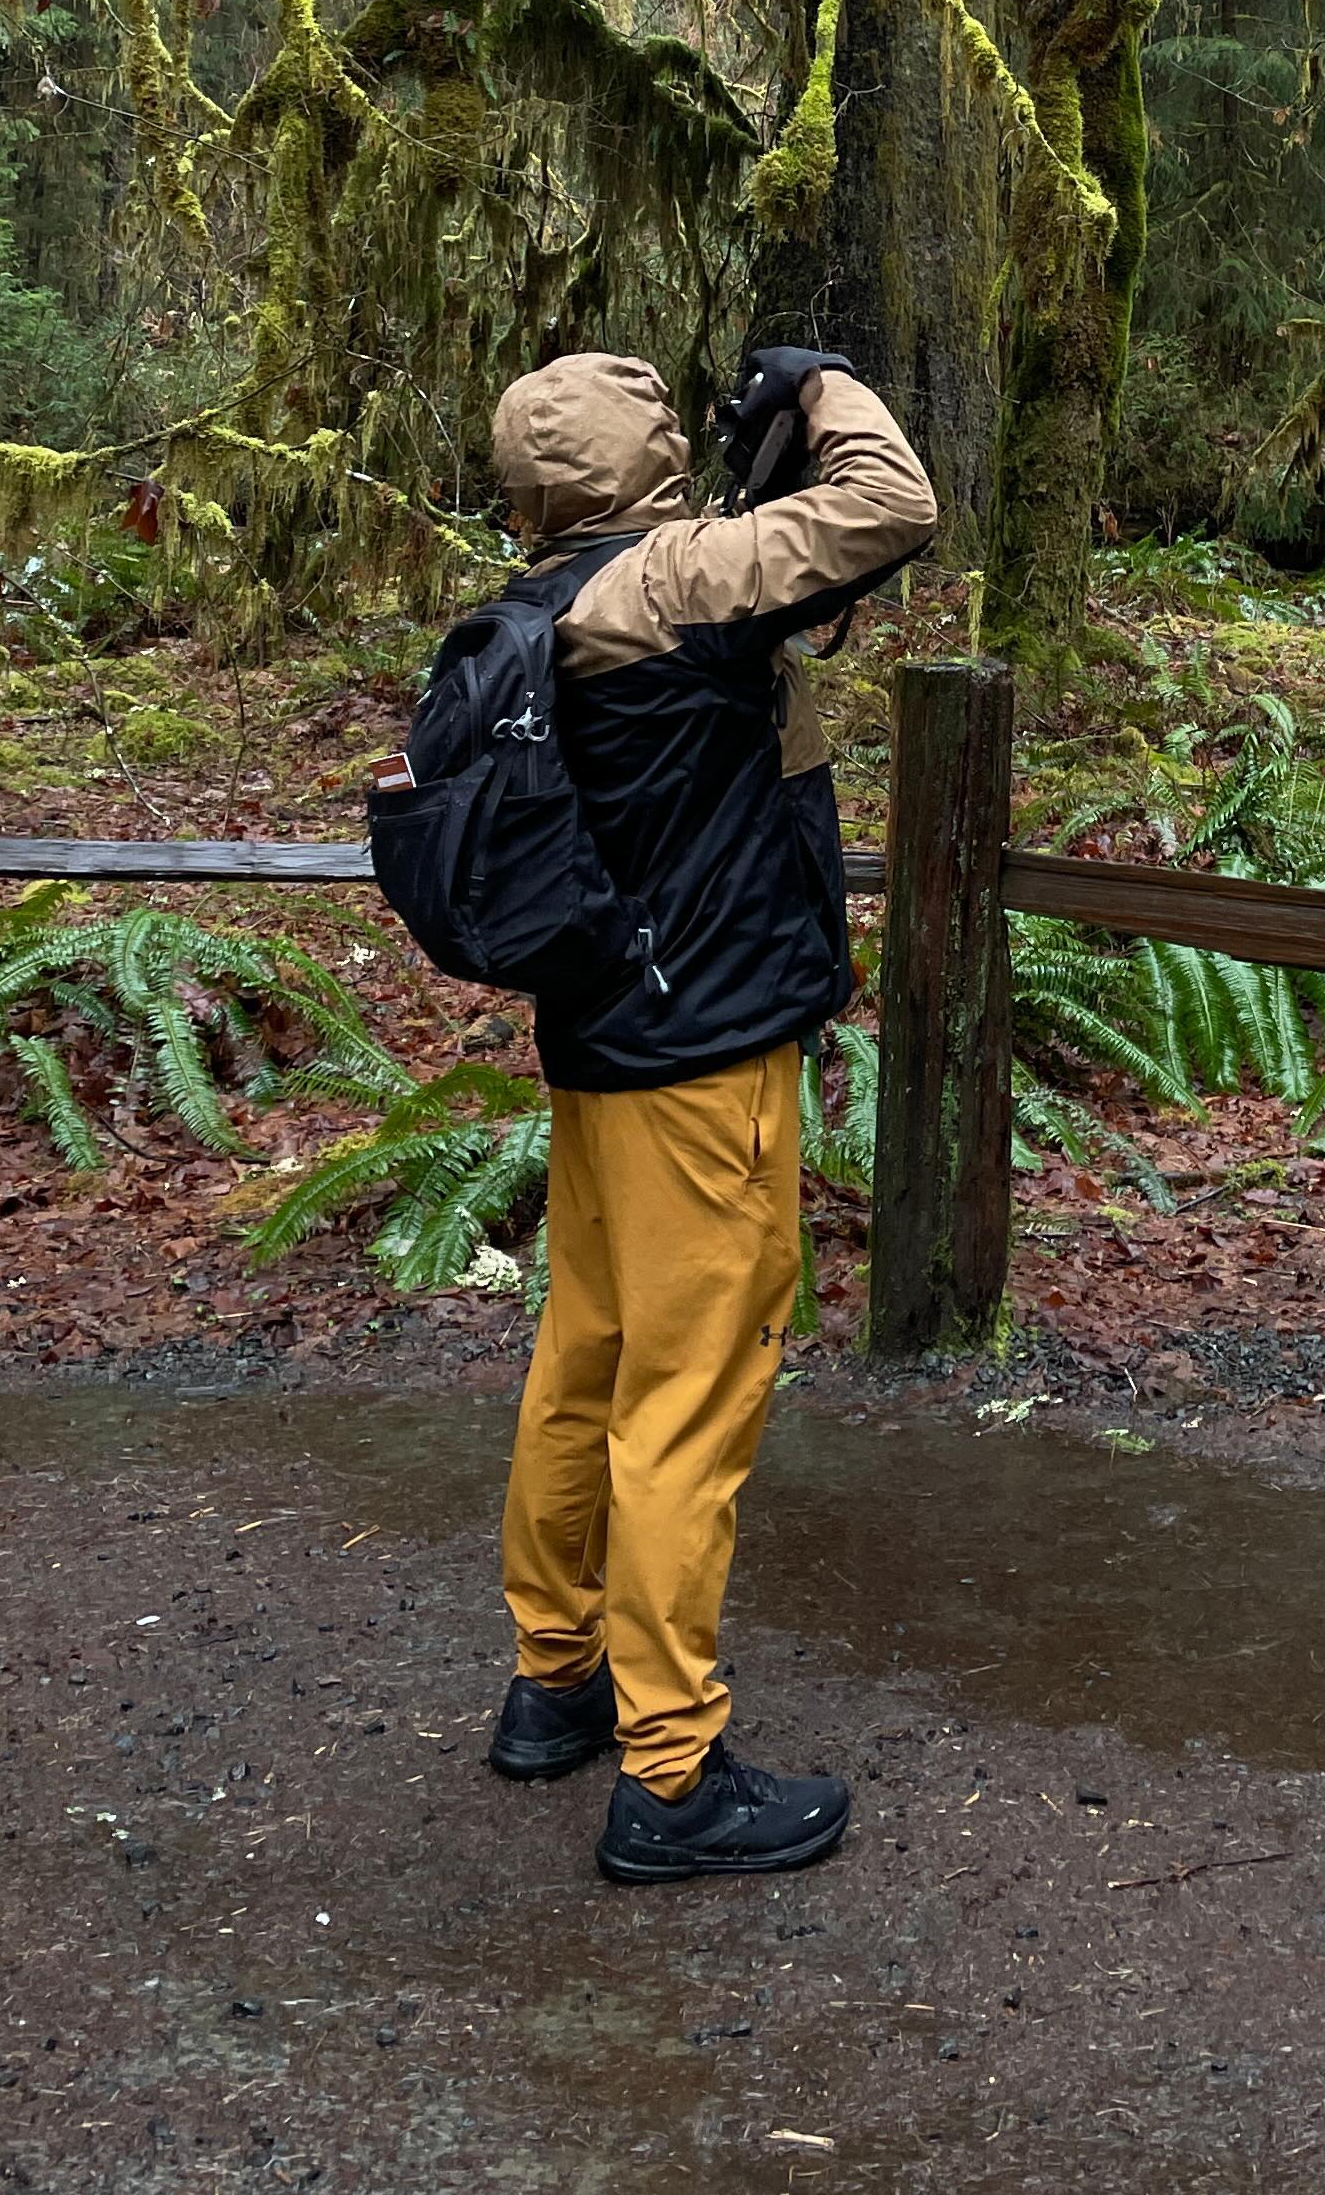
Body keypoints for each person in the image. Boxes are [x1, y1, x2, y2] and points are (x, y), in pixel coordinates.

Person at [482, 344, 936, 1881]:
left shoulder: (544, 609)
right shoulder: (678, 581)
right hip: (706, 1067)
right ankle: (671, 1774)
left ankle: (558, 1684)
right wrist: (825, 387)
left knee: (586, 1361)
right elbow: (891, 502)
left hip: (600, 1044)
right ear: (646, 456)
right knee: (689, 1397)